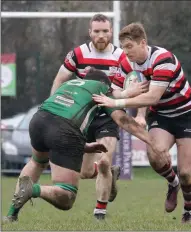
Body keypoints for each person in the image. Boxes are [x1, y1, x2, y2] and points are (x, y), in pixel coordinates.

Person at [3, 69, 164, 223]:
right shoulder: (101, 88)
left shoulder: (71, 83)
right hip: (63, 128)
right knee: (67, 196)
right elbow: (123, 120)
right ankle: (34, 190)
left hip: (38, 120)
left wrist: (83, 146)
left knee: (37, 162)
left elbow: (64, 111)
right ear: (104, 84)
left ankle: (11, 214)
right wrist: (152, 142)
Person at [93, 22, 191, 224]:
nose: (125, 52)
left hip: (187, 114)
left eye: (129, 47)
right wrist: (126, 93)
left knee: (186, 171)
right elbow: (114, 90)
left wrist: (118, 101)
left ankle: (188, 210)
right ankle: (172, 182)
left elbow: (152, 97)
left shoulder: (163, 59)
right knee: (155, 154)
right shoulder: (127, 63)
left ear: (143, 43)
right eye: (123, 47)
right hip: (161, 115)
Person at [49, 14, 147, 220]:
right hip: (83, 116)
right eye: (97, 31)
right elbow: (60, 79)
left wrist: (140, 114)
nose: (101, 35)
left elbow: (139, 84)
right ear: (90, 32)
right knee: (85, 172)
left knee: (103, 160)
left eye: (105, 31)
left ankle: (99, 212)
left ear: (111, 32)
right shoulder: (77, 54)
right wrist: (53, 110)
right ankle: (111, 174)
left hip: (109, 115)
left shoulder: (122, 56)